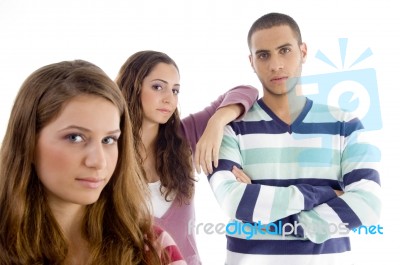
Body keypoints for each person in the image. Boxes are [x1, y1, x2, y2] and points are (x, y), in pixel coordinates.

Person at [208, 12, 381, 265]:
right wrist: (325, 194)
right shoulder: (230, 129)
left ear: (303, 51)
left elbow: (368, 204)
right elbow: (235, 202)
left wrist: (264, 216)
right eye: (263, 55)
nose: (275, 64)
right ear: (251, 61)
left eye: (285, 50)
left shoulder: (345, 124)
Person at [0, 60, 186, 265]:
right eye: (75, 138)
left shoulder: (153, 247)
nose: (99, 162)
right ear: (28, 140)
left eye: (109, 140)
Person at [115, 50, 259, 265]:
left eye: (175, 90)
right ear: (133, 87)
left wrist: (216, 122)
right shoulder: (109, 148)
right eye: (157, 87)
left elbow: (247, 91)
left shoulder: (183, 134)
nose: (168, 98)